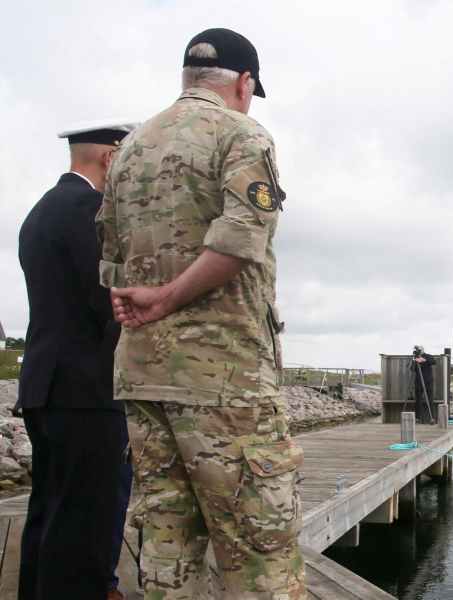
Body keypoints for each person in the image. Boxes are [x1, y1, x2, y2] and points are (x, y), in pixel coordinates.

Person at [95, 28, 305, 599]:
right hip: (225, 377)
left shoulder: (130, 149)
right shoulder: (241, 133)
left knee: (166, 541)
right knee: (259, 546)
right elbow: (241, 237)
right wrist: (168, 296)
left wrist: (144, 299)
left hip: (144, 373)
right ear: (245, 82)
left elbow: (110, 260)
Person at [17, 120, 138, 600]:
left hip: (46, 386)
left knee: (47, 512)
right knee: (87, 520)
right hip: (87, 391)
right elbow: (107, 302)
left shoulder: (42, 210)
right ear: (111, 158)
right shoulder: (90, 211)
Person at [410, 346, 437, 422]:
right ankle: (418, 418)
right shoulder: (415, 358)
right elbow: (412, 369)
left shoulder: (428, 356)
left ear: (422, 350)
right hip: (418, 382)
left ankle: (432, 418)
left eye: (419, 350)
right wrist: (415, 361)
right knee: (418, 400)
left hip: (428, 381)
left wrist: (423, 360)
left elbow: (434, 361)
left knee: (430, 399)